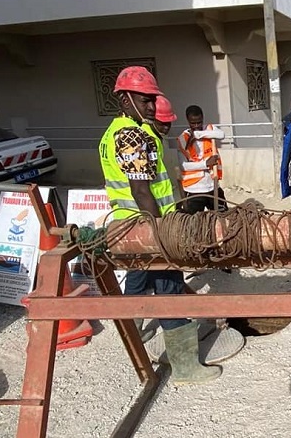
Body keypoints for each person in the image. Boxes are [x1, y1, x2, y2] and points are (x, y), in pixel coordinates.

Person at [99, 66, 221, 385]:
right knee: (168, 290)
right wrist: (163, 238)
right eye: (145, 99)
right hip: (147, 229)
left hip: (131, 228)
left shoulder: (116, 131)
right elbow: (142, 191)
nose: (152, 106)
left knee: (138, 279)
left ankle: (134, 329)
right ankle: (185, 367)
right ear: (125, 99)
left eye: (154, 99)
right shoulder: (132, 135)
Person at [176, 105, 227, 213]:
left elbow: (221, 134)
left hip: (212, 186)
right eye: (193, 123)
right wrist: (206, 164)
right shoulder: (183, 138)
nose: (196, 125)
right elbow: (183, 165)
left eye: (199, 122)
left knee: (224, 217)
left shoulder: (209, 130)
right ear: (188, 121)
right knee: (193, 224)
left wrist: (198, 134)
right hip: (194, 189)